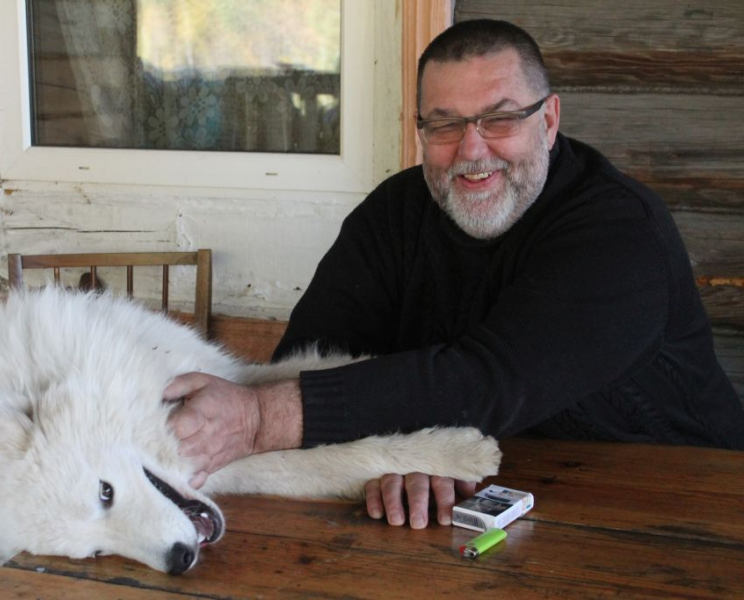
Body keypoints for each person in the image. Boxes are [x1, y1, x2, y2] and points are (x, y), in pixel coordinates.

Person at [164, 19, 744, 530]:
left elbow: (491, 381)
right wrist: (404, 453)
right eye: (444, 125)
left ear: (548, 121)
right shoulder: (393, 215)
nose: (471, 150)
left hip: (683, 503)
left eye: (500, 119)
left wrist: (260, 419)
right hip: (479, 508)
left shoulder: (620, 231)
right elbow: (312, 358)